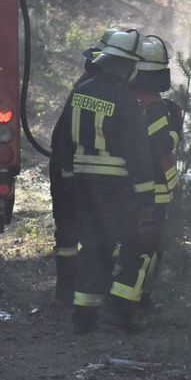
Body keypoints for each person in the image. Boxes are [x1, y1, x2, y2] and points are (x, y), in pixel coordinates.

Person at [52, 29, 158, 334]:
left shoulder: (80, 92)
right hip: (117, 188)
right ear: (128, 66)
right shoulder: (126, 101)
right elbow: (138, 154)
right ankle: (121, 313)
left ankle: (83, 317)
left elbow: (65, 144)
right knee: (134, 245)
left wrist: (70, 180)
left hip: (83, 185)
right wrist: (146, 201)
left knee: (94, 248)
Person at [48, 28, 121, 304]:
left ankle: (66, 292)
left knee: (68, 231)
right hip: (80, 173)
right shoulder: (103, 90)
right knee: (96, 233)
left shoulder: (85, 84)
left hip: (68, 169)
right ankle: (91, 293)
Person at [127, 35, 182, 311]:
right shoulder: (156, 107)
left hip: (128, 187)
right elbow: (162, 147)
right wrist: (176, 129)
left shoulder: (127, 100)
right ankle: (139, 300)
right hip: (155, 192)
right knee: (148, 249)